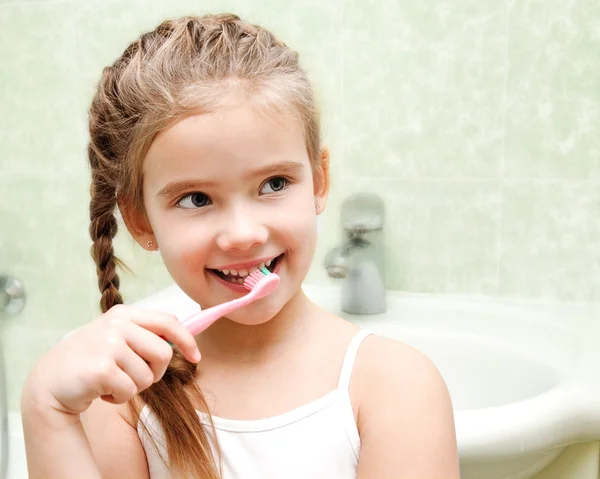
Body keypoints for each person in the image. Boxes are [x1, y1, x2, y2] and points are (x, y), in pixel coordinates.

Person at [21, 13, 460, 479]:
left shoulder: (396, 388)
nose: (244, 233)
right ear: (139, 219)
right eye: (196, 199)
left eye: (274, 183)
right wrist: (45, 410)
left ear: (319, 180)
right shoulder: (122, 396)